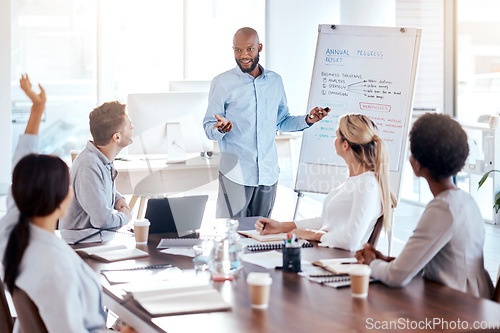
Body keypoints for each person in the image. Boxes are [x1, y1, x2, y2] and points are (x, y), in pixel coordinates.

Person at [1, 75, 136, 332]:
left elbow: (21, 165)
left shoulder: (10, 234)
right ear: (63, 201)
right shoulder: (58, 266)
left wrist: (37, 109)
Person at [355, 113, 494, 298]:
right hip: (477, 302)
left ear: (416, 165)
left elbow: (396, 277)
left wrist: (371, 263)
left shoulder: (443, 208)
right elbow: (441, 262)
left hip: (459, 310)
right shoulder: (466, 201)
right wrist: (387, 261)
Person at [203, 27, 330, 218]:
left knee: (261, 238)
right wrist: (219, 128)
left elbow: (282, 121)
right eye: (238, 50)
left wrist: (307, 120)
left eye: (249, 49)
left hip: (267, 176)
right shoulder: (222, 83)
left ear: (259, 47)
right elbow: (208, 126)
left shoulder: (275, 81)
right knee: (230, 238)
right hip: (236, 176)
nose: (243, 55)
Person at [255, 114, 396, 251]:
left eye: (336, 136)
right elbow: (326, 220)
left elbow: (351, 240)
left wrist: (314, 235)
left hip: (339, 261)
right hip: (328, 252)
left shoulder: (367, 185)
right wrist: (281, 226)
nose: (334, 140)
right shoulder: (356, 180)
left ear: (345, 145)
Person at [59, 101, 134, 230]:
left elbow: (96, 189)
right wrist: (125, 217)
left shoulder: (100, 160)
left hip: (94, 239)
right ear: (116, 137)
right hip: (81, 244)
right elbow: (103, 221)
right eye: (129, 125)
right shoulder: (88, 166)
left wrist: (117, 198)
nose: (133, 128)